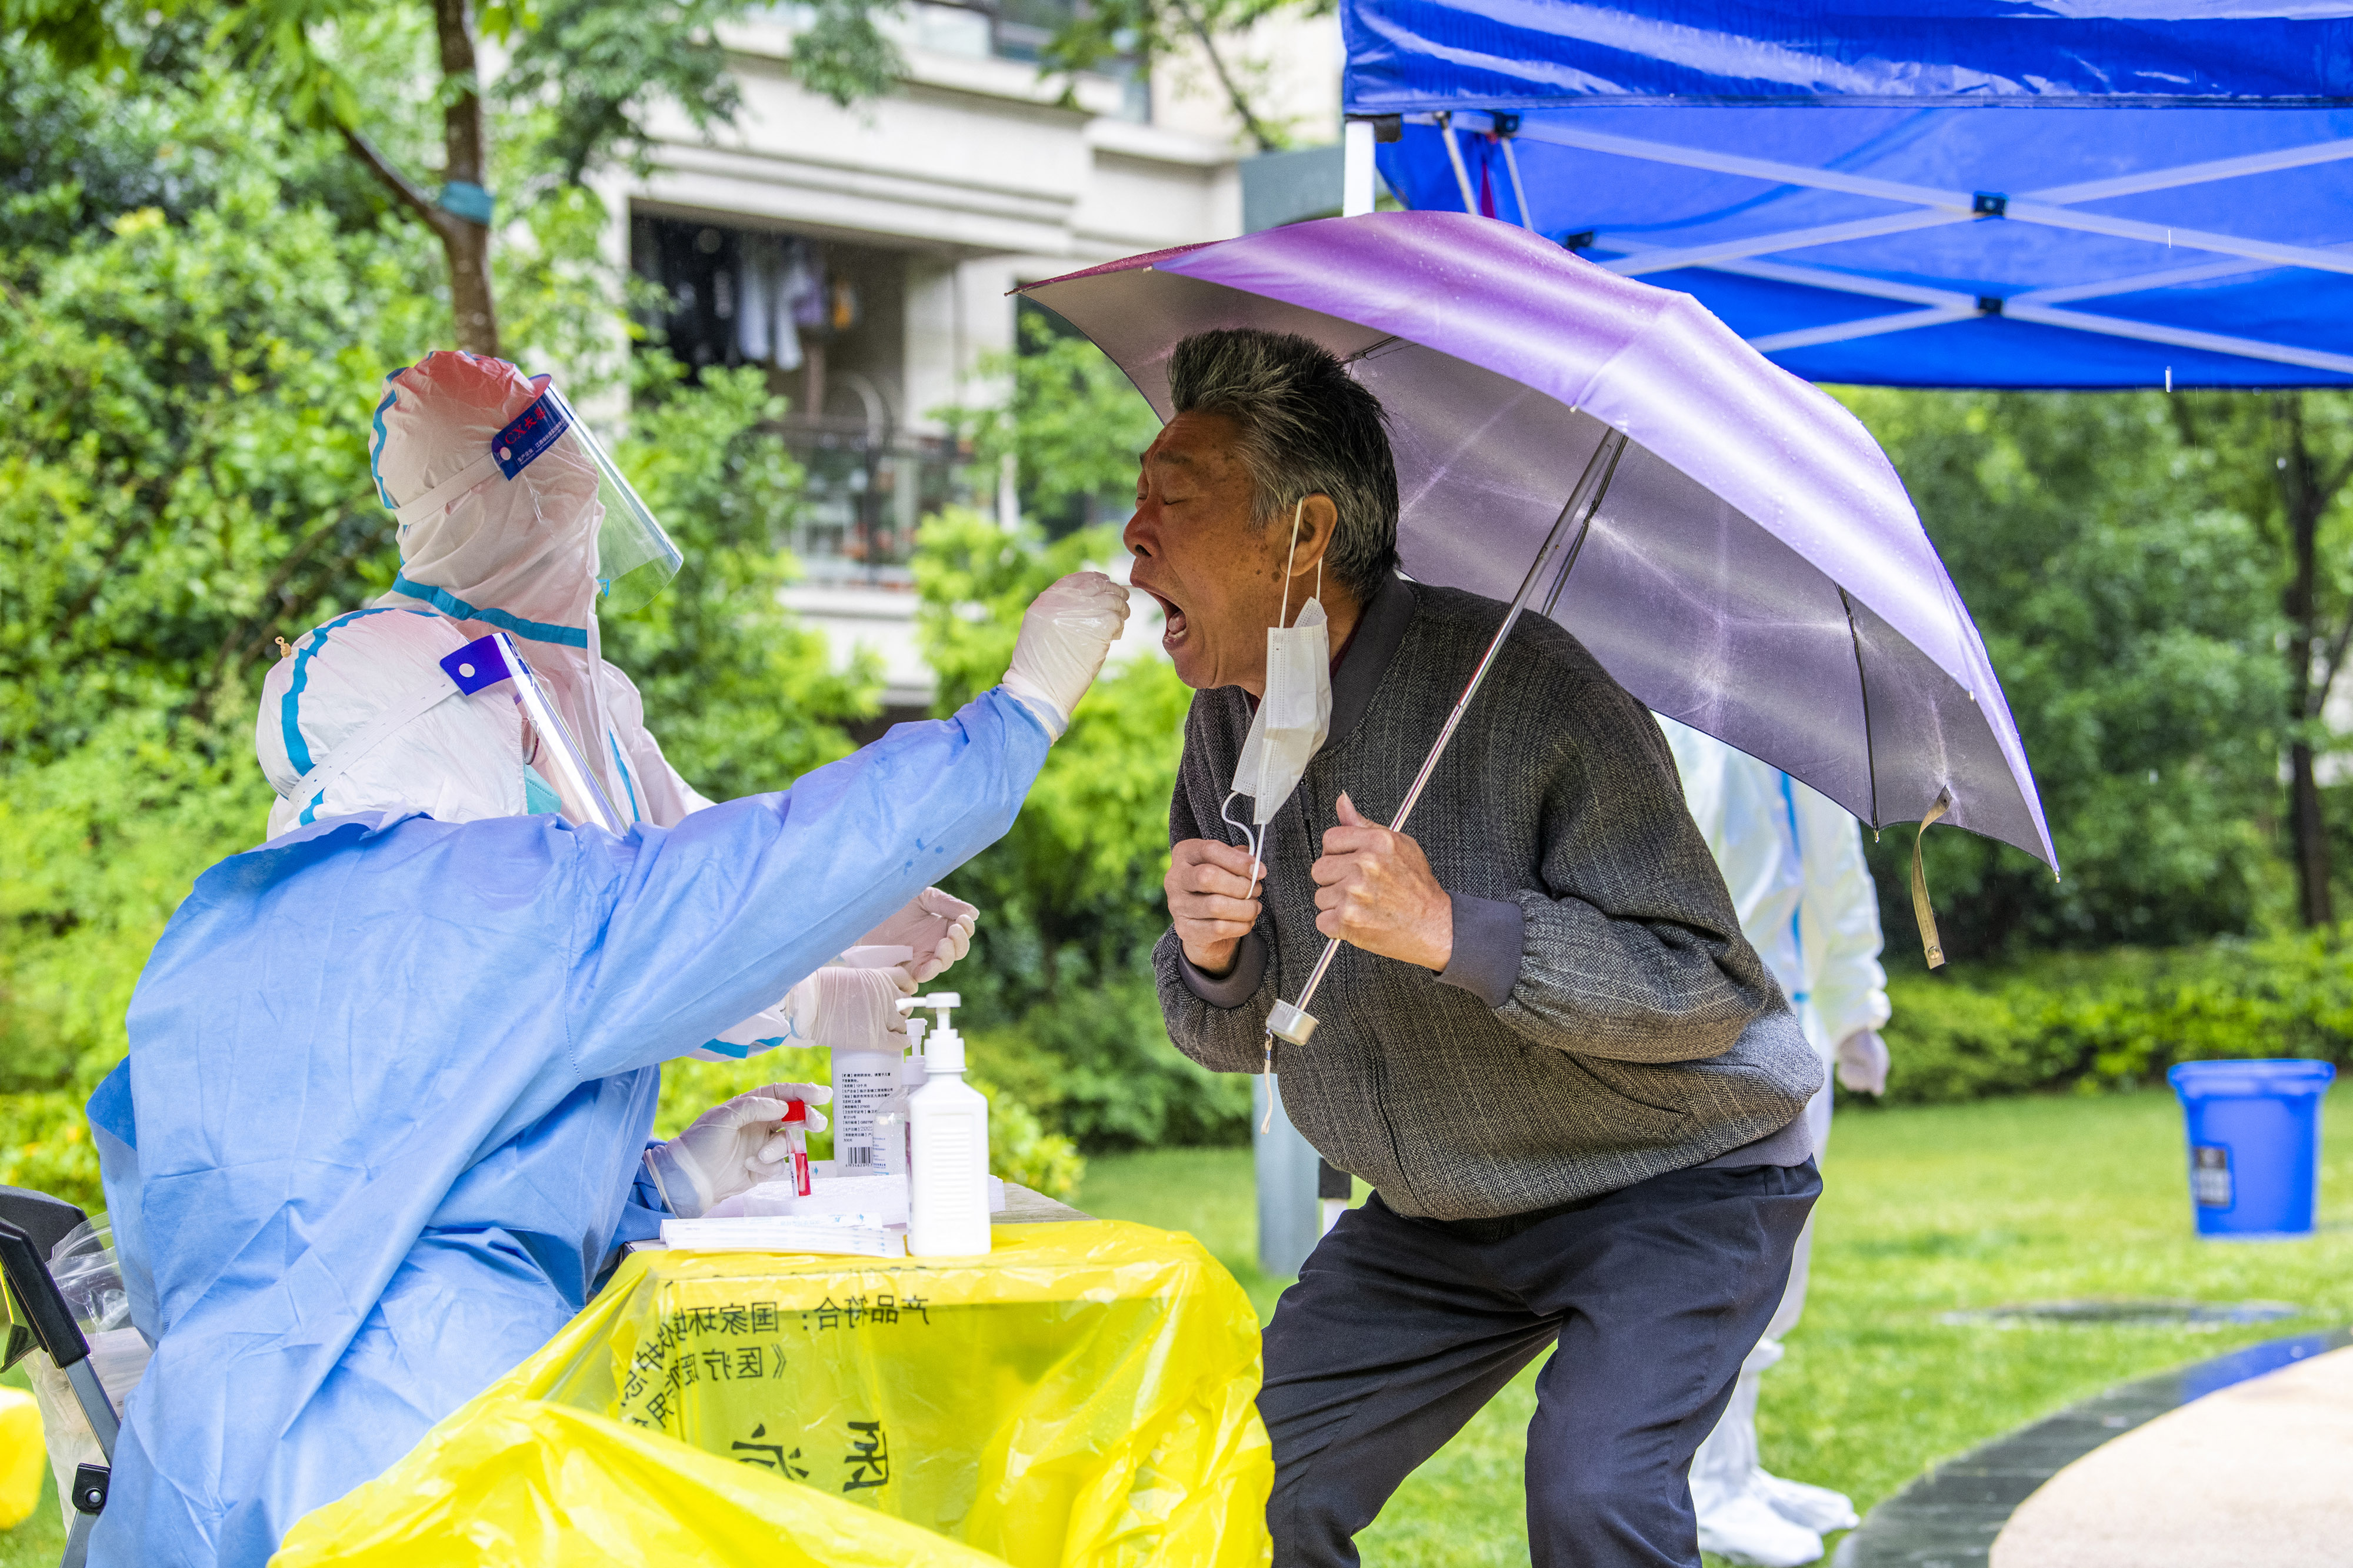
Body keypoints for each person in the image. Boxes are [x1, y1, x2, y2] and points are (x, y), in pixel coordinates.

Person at [83, 572, 1128, 1557]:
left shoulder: (204, 940)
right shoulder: (509, 891)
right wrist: (1014, 718)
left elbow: (308, 1218)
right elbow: (764, 869)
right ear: (451, 725)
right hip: (427, 1476)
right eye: (510, 725)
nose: (531, 754)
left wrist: (669, 1182)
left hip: (189, 1486)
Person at [1131, 328, 1822, 1568]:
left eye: (1171, 504)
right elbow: (1233, 1038)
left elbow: (1703, 987)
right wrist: (1213, 954)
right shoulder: (1222, 718)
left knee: (1594, 1493)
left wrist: (1454, 931)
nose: (1132, 538)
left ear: (1302, 535)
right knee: (1230, 1471)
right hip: (1441, 1205)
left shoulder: (1529, 686)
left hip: (1671, 1180)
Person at [368, 349, 979, 1002]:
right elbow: (559, 962)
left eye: (583, 485)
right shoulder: (409, 691)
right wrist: (806, 1002)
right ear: (479, 516)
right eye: (558, 493)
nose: (593, 517)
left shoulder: (589, 692)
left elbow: (688, 854)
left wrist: (850, 905)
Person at [1662, 720, 1891, 1568]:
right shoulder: (1675, 731)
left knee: (1775, 1276)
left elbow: (1836, 879)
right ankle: (1707, 1488)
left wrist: (1858, 1008)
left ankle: (1740, 1471)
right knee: (1718, 1271)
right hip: (1712, 1036)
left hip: (1801, 1030)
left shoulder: (1804, 744)